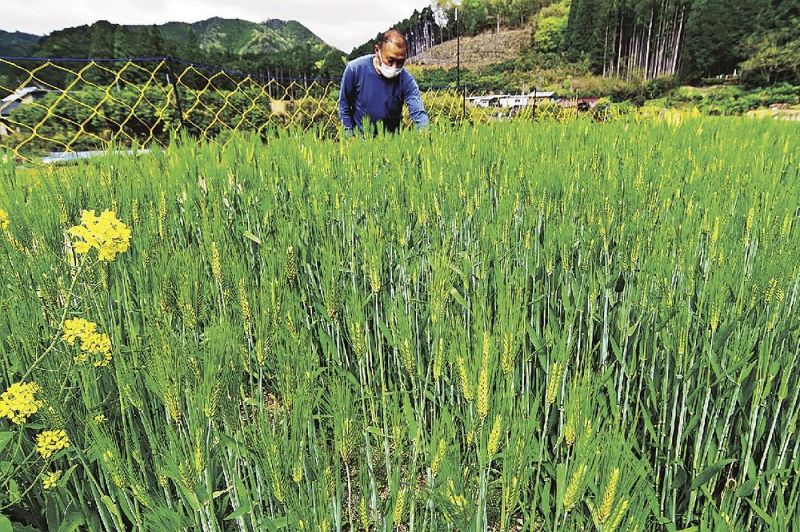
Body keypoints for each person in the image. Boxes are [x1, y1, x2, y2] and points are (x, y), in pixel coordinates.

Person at [338, 29, 429, 135]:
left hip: (392, 141)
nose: (395, 67)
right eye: (390, 60)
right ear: (377, 51)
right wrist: (349, 135)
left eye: (400, 62)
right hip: (361, 141)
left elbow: (418, 113)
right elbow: (344, 105)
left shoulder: (406, 80)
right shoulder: (355, 69)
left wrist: (423, 136)